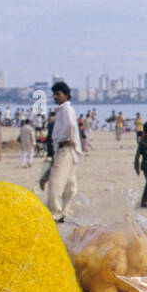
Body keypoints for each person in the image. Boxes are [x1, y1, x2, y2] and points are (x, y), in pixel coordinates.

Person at [45, 81, 82, 221]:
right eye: (54, 94)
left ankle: (56, 212)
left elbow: (72, 127)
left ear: (66, 95)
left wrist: (68, 140)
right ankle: (66, 210)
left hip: (65, 148)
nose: (55, 97)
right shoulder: (62, 109)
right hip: (66, 148)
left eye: (58, 94)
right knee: (70, 184)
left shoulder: (66, 109)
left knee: (56, 181)